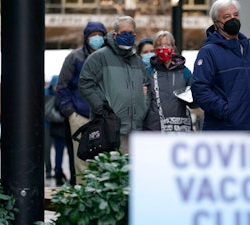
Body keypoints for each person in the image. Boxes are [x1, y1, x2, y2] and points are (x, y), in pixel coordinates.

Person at [191, 0, 250, 131]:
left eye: (235, 15)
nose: (233, 19)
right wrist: (227, 111)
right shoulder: (208, 52)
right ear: (216, 22)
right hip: (223, 132)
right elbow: (199, 89)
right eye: (227, 17)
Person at [79, 16, 150, 154]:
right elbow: (85, 84)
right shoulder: (99, 57)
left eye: (131, 33)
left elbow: (147, 86)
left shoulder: (138, 61)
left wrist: (143, 106)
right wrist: (102, 108)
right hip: (110, 129)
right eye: (124, 33)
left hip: (135, 130)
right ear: (115, 34)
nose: (128, 36)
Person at [57, 21, 107, 185]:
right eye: (93, 35)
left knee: (104, 160)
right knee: (80, 161)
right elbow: (62, 86)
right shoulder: (74, 57)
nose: (97, 38)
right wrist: (70, 112)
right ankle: (81, 196)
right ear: (86, 37)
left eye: (100, 35)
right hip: (79, 116)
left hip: (104, 118)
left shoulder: (109, 57)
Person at [143, 30, 197, 131]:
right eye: (159, 45)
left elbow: (194, 103)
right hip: (154, 131)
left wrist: (195, 94)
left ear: (173, 48)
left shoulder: (184, 72)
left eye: (167, 44)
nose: (163, 48)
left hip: (179, 131)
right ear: (154, 49)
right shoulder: (147, 72)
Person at [45, 75, 68, 186]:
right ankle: (49, 170)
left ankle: (57, 169)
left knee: (59, 149)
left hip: (57, 126)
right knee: (46, 149)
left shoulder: (60, 93)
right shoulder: (47, 92)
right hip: (48, 125)